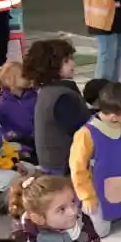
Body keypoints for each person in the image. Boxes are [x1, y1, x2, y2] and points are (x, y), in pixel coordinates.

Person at [69, 80, 121, 236]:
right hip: (99, 192)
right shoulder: (86, 134)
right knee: (101, 233)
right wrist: (87, 197)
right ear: (114, 117)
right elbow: (78, 168)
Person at [26, 38, 87, 176]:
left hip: (53, 162)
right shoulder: (62, 96)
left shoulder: (48, 90)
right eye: (66, 61)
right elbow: (80, 129)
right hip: (63, 165)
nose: (72, 63)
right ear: (51, 66)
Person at [0, 60, 37, 159]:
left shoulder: (35, 95)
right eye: (24, 76)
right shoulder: (0, 103)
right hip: (19, 144)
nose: (29, 78)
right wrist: (9, 135)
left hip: (39, 139)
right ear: (10, 80)